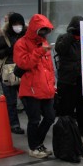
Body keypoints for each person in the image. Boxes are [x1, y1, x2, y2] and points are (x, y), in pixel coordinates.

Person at [14, 14, 56, 158]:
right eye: (41, 29)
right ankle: (34, 147)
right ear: (34, 29)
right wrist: (39, 51)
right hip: (30, 89)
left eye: (46, 30)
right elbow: (24, 63)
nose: (44, 33)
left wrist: (53, 84)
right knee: (34, 120)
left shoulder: (44, 42)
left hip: (46, 88)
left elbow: (49, 67)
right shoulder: (21, 43)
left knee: (50, 116)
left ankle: (38, 143)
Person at [0, 12, 25, 134]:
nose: (18, 26)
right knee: (11, 100)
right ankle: (14, 124)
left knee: (27, 99)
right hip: (9, 72)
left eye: (20, 24)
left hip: (24, 70)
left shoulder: (26, 35)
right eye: (15, 24)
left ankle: (33, 122)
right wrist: (6, 51)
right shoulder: (4, 36)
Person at [54, 15, 83, 135]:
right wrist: (70, 34)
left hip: (82, 79)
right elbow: (60, 49)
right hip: (67, 80)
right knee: (66, 107)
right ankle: (66, 130)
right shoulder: (63, 38)